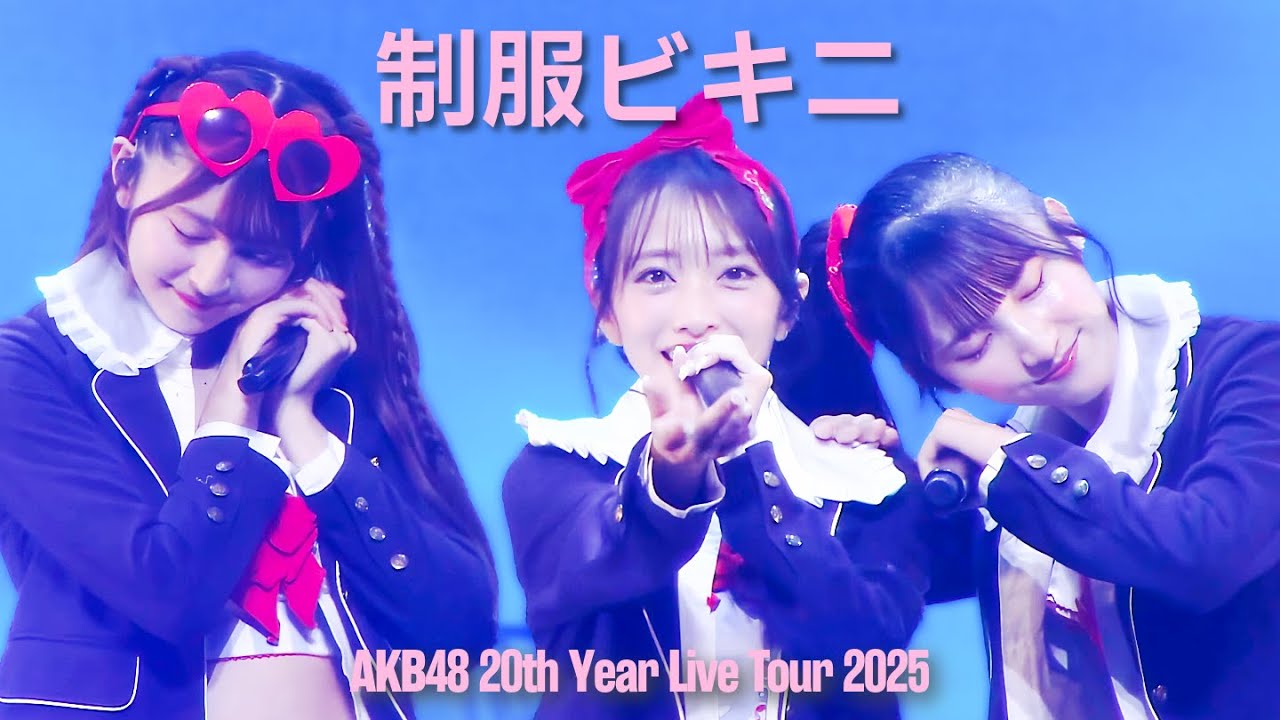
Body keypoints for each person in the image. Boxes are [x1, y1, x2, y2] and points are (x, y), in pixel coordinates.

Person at [0, 52, 496, 719]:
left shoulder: (329, 372)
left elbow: (457, 632)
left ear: (307, 240)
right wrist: (238, 390)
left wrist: (301, 426)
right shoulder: (32, 366)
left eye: (258, 254)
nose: (210, 277)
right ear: (125, 175)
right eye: (188, 230)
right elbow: (167, 592)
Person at [503, 94, 929, 720]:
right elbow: (593, 568)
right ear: (607, 311)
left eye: (735, 274)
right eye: (656, 276)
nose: (697, 315)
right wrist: (674, 477)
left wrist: (749, 463)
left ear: (789, 307)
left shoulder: (863, 478)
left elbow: (864, 653)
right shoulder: (556, 469)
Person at [812, 151, 1280, 719]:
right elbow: (869, 596)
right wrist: (863, 481)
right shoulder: (996, 478)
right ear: (932, 374)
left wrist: (1011, 463)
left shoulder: (1256, 369)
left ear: (1063, 227)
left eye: (1032, 288)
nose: (1035, 345)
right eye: (974, 346)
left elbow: (1206, 554)